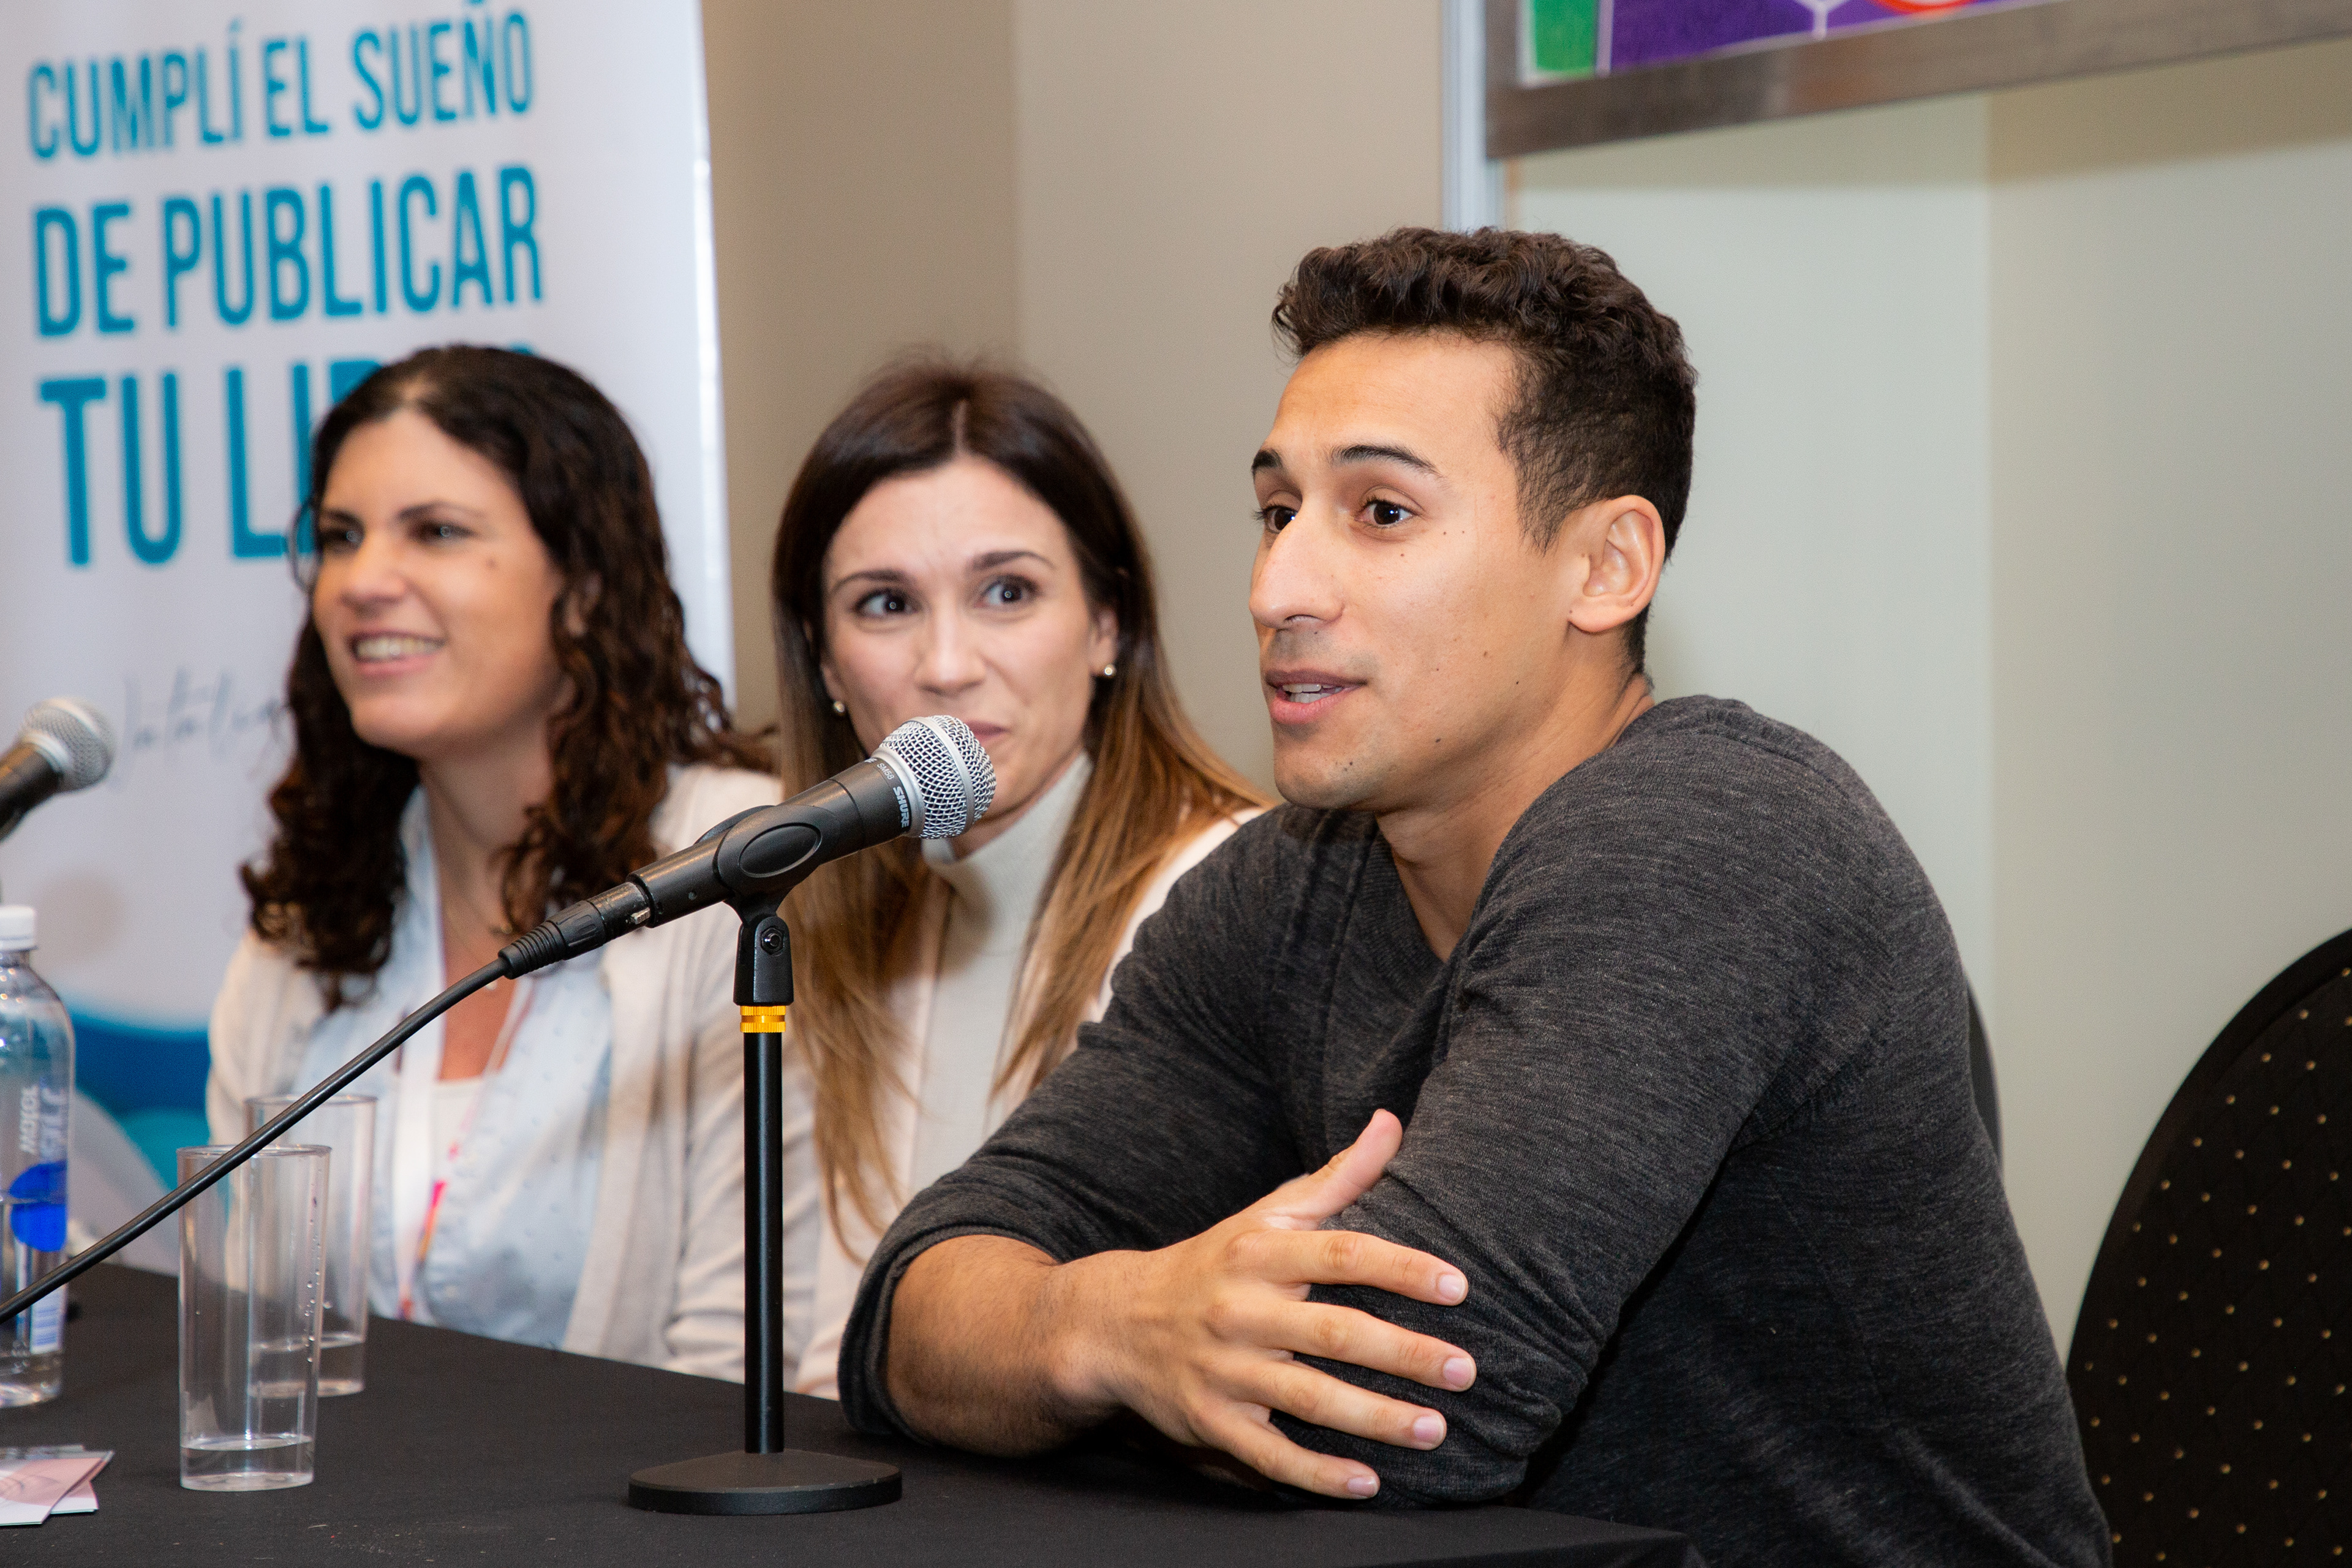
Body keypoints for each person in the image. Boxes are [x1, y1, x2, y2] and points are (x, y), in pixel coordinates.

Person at [831, 232, 2110, 1566]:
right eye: (1277, 512)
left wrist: (1086, 1359)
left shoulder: (1714, 835)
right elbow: (912, 1311)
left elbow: (1402, 1417)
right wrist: (1117, 1324)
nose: (1277, 589)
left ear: (1607, 567)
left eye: (1382, 513)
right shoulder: (1282, 887)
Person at [208, 346, 799, 1378]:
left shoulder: (736, 869)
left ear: (585, 588)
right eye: (341, 537)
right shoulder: (310, 913)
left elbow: (749, 1355)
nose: (363, 583)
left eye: (436, 531)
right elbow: (248, 1336)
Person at [769, 361, 1264, 1397]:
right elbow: (834, 1351)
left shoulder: (1230, 895)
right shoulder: (856, 919)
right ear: (824, 661)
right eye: (887, 604)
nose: (947, 664)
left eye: (1007, 592)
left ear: (1107, 622)